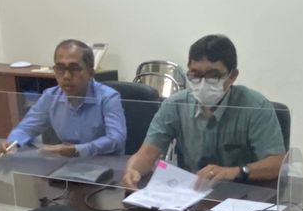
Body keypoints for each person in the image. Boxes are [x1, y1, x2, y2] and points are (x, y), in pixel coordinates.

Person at [121, 34, 286, 189]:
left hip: (242, 193)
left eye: (213, 76)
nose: (203, 84)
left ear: (232, 75)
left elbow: (277, 164)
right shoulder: (175, 105)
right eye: (195, 75)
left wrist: (235, 171)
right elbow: (147, 154)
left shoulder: (255, 107)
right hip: (190, 191)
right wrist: (133, 171)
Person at [0, 39, 125, 157]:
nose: (66, 76)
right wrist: (13, 143)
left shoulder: (108, 97)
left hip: (106, 164)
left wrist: (77, 149)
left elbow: (116, 139)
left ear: (90, 72)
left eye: (74, 69)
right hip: (68, 164)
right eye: (60, 68)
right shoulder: (51, 96)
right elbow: (26, 129)